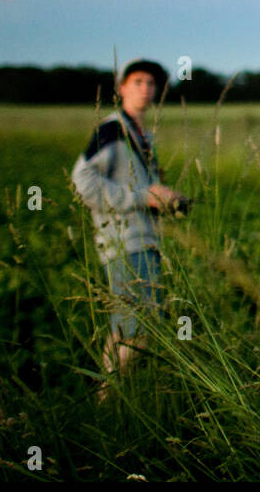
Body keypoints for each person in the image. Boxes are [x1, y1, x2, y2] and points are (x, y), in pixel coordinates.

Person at [71, 59, 187, 397]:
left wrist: (167, 199)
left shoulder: (141, 134)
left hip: (143, 239)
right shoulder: (111, 129)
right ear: (121, 88)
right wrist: (141, 197)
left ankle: (107, 396)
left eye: (151, 83)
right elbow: (82, 182)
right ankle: (109, 398)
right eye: (137, 82)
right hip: (124, 241)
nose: (145, 89)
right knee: (141, 329)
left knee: (124, 328)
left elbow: (147, 191)